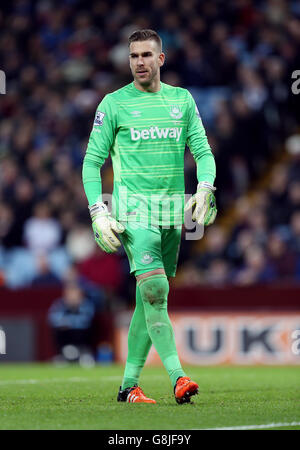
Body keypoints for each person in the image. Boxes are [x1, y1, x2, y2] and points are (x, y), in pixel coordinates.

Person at [82, 29, 217, 404]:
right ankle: (179, 377)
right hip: (133, 212)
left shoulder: (182, 100)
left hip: (172, 213)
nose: (139, 62)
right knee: (157, 291)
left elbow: (203, 152)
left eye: (146, 55)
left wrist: (205, 187)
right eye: (133, 56)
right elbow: (92, 163)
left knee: (149, 300)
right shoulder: (113, 104)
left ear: (161, 59)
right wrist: (98, 211)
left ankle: (128, 387)